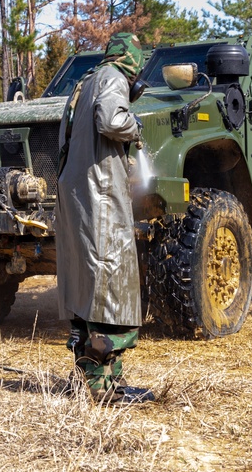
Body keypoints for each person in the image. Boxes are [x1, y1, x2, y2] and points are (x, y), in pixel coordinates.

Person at [54, 32, 153, 404]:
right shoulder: (112, 78)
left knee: (86, 288)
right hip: (101, 198)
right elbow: (111, 120)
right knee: (112, 286)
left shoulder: (83, 83)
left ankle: (96, 381)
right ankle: (99, 386)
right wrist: (136, 127)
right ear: (131, 62)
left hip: (78, 195)